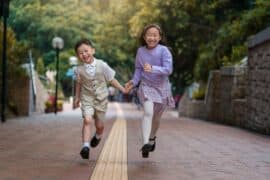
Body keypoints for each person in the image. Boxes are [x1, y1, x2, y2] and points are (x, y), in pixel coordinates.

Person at [125, 24, 175, 158]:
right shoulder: (140, 51)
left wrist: (153, 68)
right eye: (149, 35)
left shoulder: (164, 51)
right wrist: (133, 82)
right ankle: (146, 142)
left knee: (157, 118)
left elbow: (168, 69)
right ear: (144, 37)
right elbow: (138, 69)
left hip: (162, 88)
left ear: (159, 37)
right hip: (146, 86)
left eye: (155, 35)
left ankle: (152, 138)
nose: (151, 37)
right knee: (148, 112)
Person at [74, 38, 127, 159]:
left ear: (93, 50)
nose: (84, 54)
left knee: (99, 125)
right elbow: (78, 84)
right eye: (80, 53)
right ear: (78, 56)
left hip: (101, 100)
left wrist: (123, 89)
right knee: (87, 120)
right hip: (87, 98)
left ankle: (98, 135)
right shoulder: (78, 70)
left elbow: (111, 80)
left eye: (86, 51)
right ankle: (85, 147)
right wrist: (77, 97)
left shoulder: (102, 65)